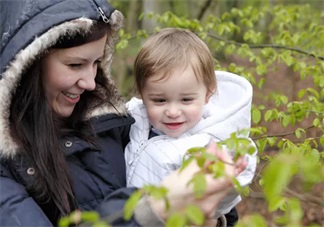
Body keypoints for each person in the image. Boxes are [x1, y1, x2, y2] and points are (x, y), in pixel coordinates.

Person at [0, 1, 247, 226]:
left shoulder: (113, 122)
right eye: (75, 64)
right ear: (27, 63)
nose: (90, 82)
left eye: (96, 63)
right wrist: (153, 210)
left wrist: (213, 217)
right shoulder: (6, 171)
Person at [125, 28, 258, 226]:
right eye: (160, 100)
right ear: (142, 95)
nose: (173, 111)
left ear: (208, 93)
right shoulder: (133, 122)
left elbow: (224, 198)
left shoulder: (211, 145)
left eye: (186, 100)